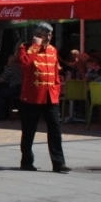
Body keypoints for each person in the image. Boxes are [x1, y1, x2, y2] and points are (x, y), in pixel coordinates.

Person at [18, 23, 69, 173]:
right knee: (29, 131)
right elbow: (25, 64)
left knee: (55, 130)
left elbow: (55, 73)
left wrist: (57, 90)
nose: (47, 38)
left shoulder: (53, 50)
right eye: (44, 34)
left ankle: (59, 163)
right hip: (32, 97)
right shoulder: (25, 48)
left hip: (50, 96)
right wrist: (35, 46)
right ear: (36, 35)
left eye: (49, 35)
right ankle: (26, 161)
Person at [0, 52, 23, 121]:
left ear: (11, 61)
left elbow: (1, 79)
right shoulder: (21, 67)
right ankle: (7, 113)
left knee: (0, 95)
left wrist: (6, 67)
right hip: (24, 88)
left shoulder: (11, 68)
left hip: (16, 88)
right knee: (6, 94)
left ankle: (0, 115)